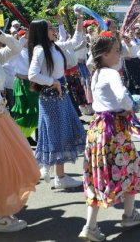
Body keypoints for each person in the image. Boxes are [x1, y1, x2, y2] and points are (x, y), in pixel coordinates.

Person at [79, 33, 140, 241]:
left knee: (97, 175)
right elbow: (122, 98)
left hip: (97, 129)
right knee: (132, 168)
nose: (120, 54)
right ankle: (128, 214)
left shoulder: (97, 73)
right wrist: (130, 106)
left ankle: (91, 225)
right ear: (105, 54)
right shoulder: (110, 73)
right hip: (113, 130)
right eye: (116, 50)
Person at [28, 16, 86, 189]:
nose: (54, 30)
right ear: (41, 32)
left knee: (59, 133)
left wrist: (79, 19)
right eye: (50, 28)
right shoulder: (40, 50)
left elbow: (76, 40)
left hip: (60, 94)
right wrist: (52, 82)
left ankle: (53, 172)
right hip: (51, 96)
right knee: (57, 135)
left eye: (54, 27)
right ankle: (59, 176)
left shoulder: (54, 46)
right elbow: (32, 75)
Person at [0, 27, 40, 233]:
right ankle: (0, 215)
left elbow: (15, 47)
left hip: (1, 116)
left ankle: (1, 212)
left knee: (16, 162)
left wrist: (0, 34)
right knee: (1, 167)